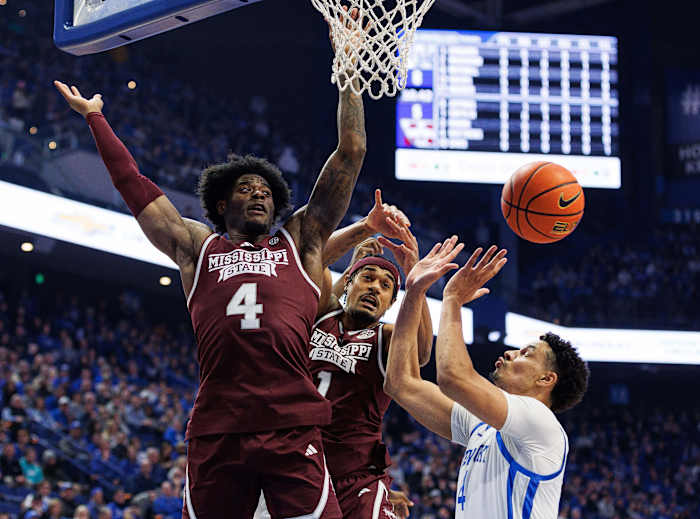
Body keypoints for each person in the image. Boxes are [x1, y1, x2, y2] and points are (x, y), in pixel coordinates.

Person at [54, 8, 369, 518]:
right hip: (219, 427)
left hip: (293, 422)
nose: (259, 195)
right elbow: (136, 189)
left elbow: (350, 151)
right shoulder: (197, 248)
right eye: (246, 188)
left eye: (267, 190)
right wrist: (95, 117)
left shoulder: (302, 241)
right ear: (222, 203)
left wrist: (350, 63)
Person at [383, 239, 590, 518]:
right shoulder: (483, 426)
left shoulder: (541, 424)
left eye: (525, 354)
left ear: (546, 379)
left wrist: (453, 299)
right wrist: (415, 290)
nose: (510, 353)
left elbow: (453, 377)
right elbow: (401, 383)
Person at [255, 211, 424, 519]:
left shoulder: (386, 336)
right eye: (367, 278)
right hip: (292, 464)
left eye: (386, 286)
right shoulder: (322, 314)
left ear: (390, 304)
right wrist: (360, 235)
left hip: (354, 476)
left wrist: (415, 279)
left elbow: (422, 352)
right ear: (349, 282)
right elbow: (311, 258)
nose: (375, 287)